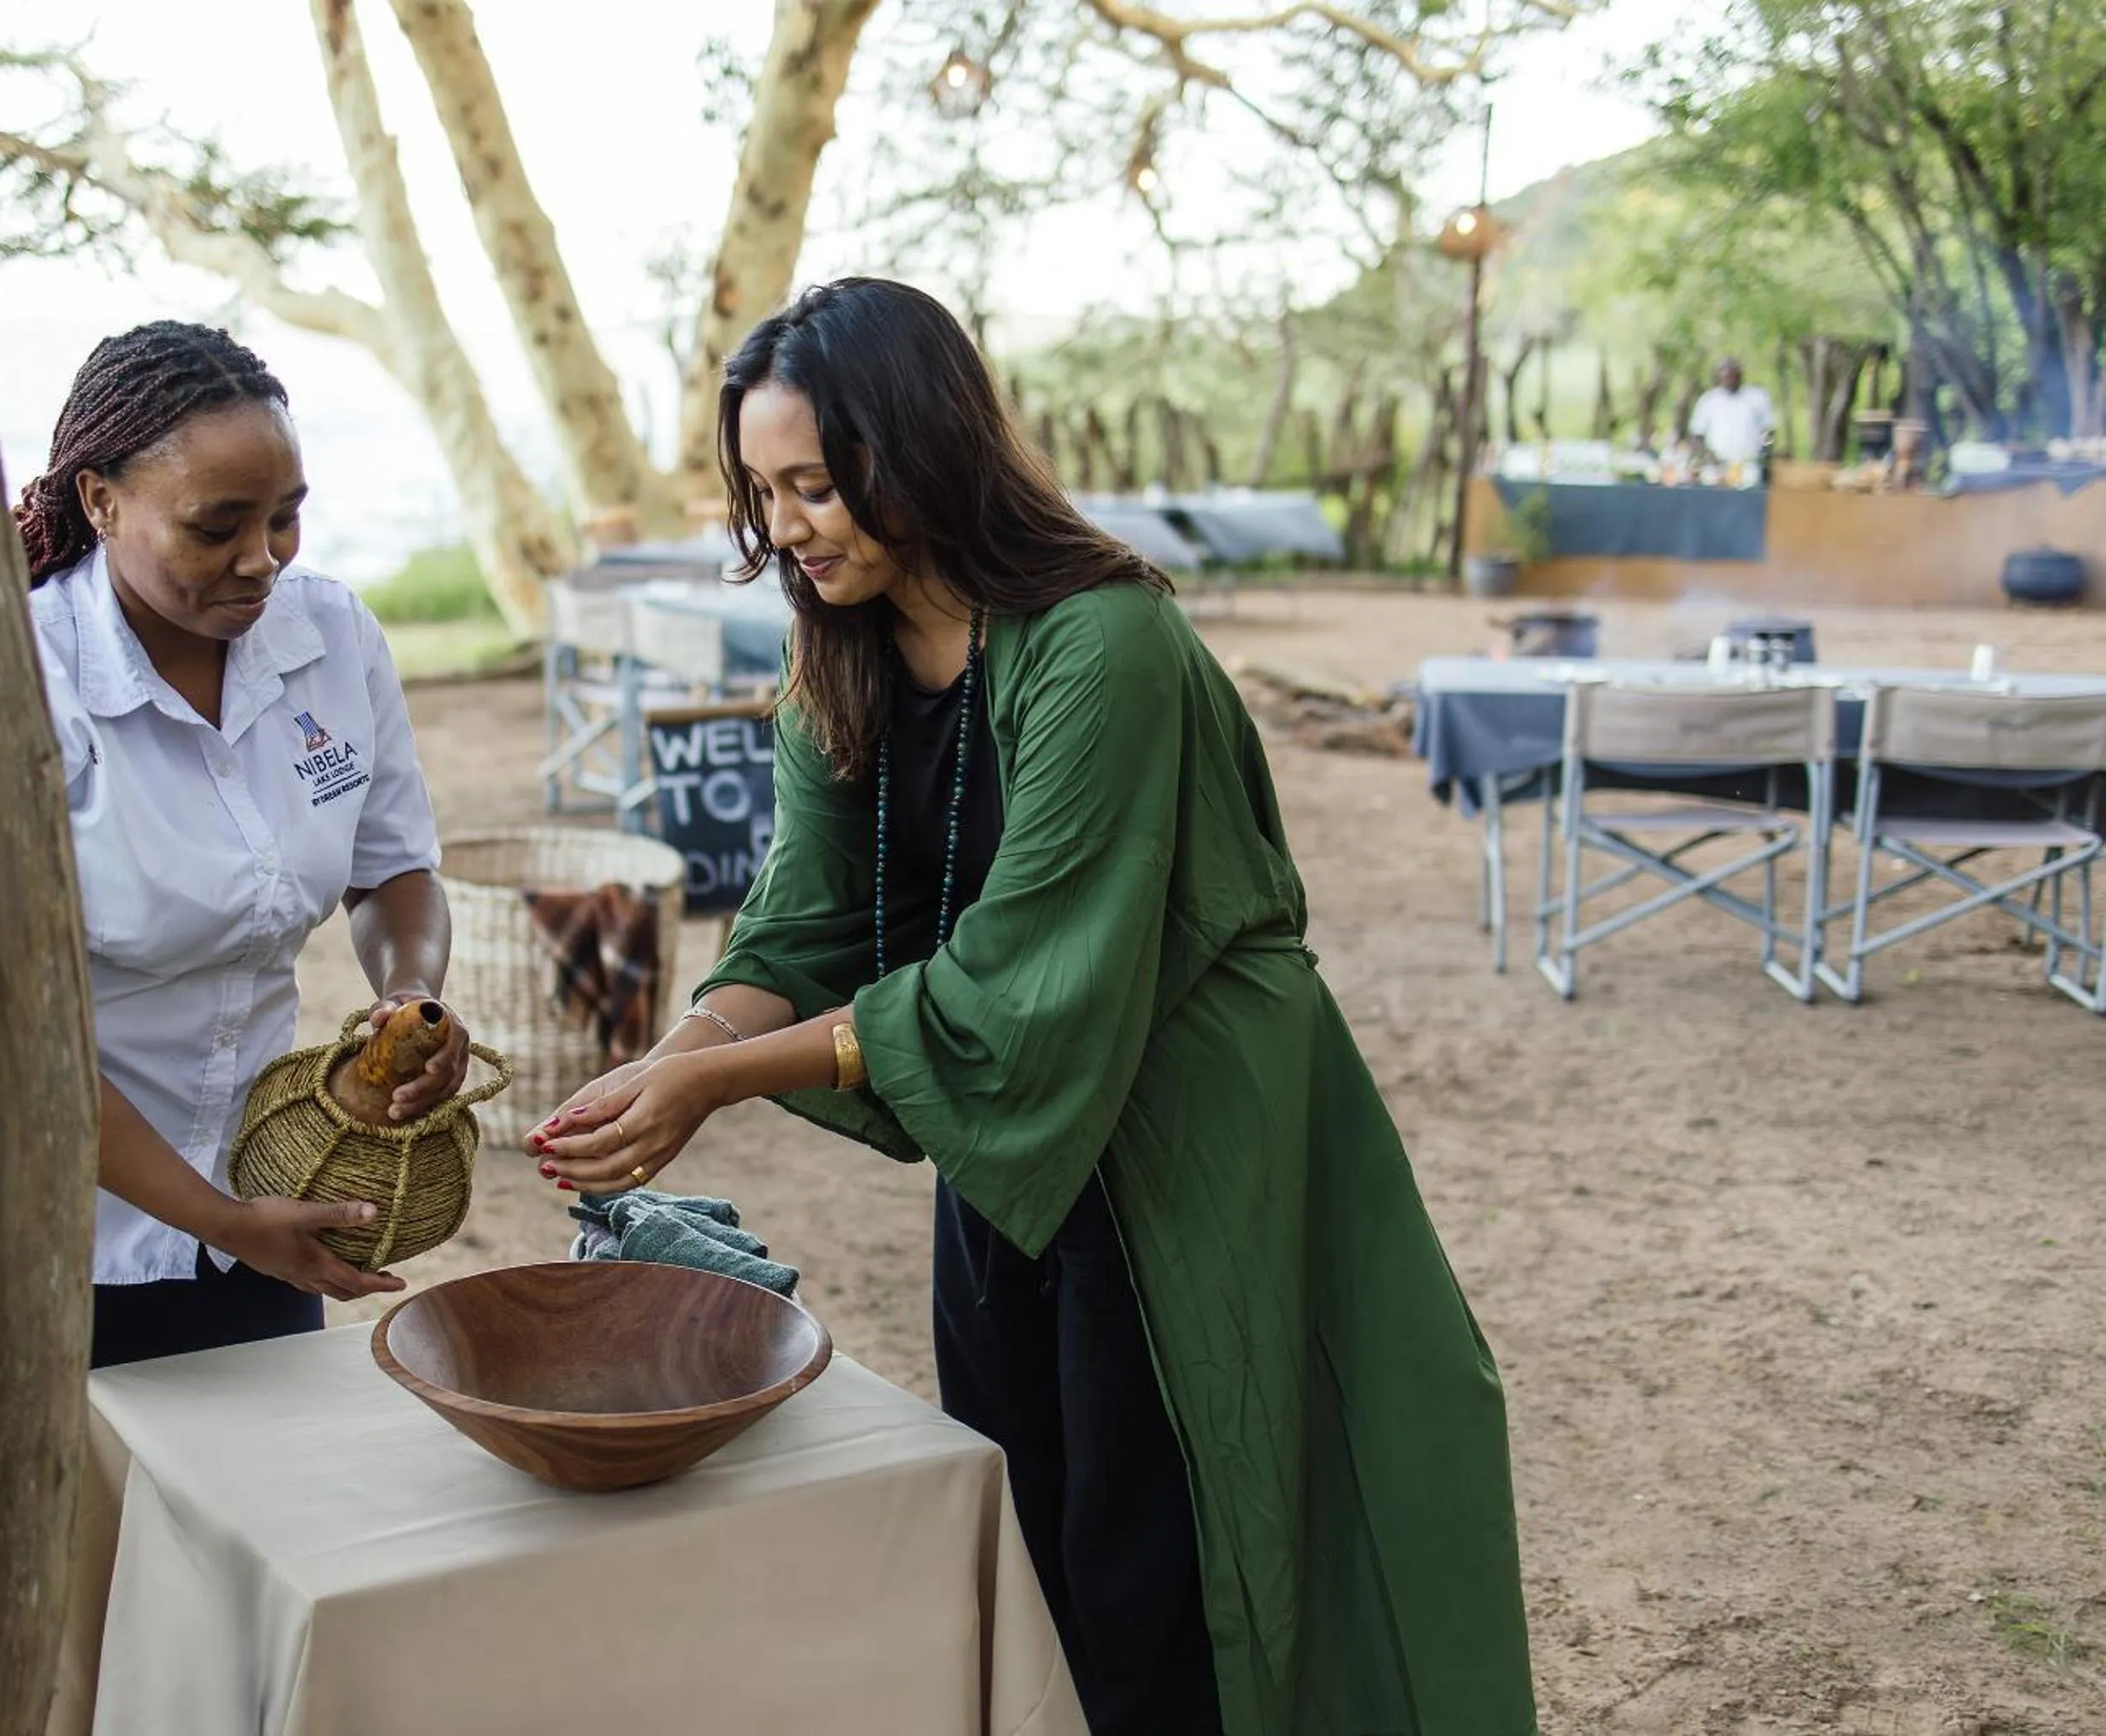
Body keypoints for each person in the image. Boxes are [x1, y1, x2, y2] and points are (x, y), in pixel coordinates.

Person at [529, 279, 1535, 1734]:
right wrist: (677, 1055)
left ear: (921, 445)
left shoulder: (1099, 641)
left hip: (1184, 1120)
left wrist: (720, 1083)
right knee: (1027, 1508)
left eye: (816, 483)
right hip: (1000, 1126)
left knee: (1173, 1543)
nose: (791, 527)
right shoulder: (835, 658)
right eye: (763, 493)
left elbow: (1027, 962)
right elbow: (803, 922)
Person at [19, 321, 471, 1371]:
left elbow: (391, 864)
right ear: (100, 500)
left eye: (285, 517)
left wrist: (409, 996)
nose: (260, 558)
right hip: (59, 1226)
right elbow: (15, 1027)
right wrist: (218, 1219)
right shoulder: (23, 677)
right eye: (217, 525)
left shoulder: (331, 636)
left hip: (266, 1201)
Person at [1688, 357, 1777, 466]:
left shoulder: (1757, 397)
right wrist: (1705, 455)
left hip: (1750, 464)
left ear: (1740, 375)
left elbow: (1768, 430)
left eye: (1733, 375)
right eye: (1726, 376)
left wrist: (1766, 452)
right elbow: (1697, 434)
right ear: (1720, 377)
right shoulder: (1709, 400)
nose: (1730, 380)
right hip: (1718, 467)